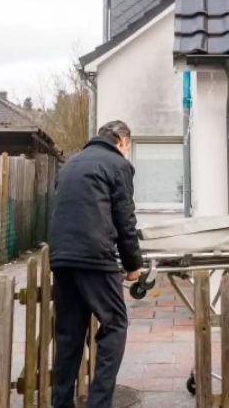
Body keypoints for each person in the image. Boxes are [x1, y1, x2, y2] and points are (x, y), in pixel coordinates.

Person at [49, 120, 142, 408]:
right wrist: (133, 265)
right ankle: (99, 403)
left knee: (69, 333)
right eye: (129, 146)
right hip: (94, 255)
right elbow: (124, 219)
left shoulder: (70, 164)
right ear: (122, 141)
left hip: (61, 257)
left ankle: (60, 403)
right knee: (114, 324)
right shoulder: (118, 165)